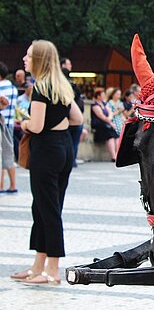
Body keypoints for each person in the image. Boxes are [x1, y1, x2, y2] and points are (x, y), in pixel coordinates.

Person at [10, 40, 83, 285]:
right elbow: (77, 118)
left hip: (46, 150)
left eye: (29, 56)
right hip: (62, 148)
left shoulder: (41, 88)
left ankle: (52, 270)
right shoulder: (62, 86)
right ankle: (38, 266)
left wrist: (25, 122)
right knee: (44, 207)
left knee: (47, 210)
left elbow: (37, 126)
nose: (24, 59)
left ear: (39, 60)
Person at [60, 57, 84, 167]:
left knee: (72, 140)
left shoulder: (67, 82)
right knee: (70, 141)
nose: (71, 66)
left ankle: (71, 160)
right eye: (69, 64)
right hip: (69, 116)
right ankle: (70, 160)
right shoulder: (62, 82)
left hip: (74, 116)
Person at [0, 61, 18, 194]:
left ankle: (1, 186)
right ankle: (13, 185)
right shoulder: (13, 88)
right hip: (10, 123)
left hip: (1, 124)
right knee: (8, 153)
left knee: (1, 155)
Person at [91, 87, 119, 161]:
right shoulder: (95, 105)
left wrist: (110, 118)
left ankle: (117, 154)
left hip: (107, 123)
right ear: (98, 96)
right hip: (99, 124)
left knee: (116, 135)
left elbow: (110, 112)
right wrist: (110, 121)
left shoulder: (104, 103)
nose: (104, 96)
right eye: (102, 94)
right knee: (110, 135)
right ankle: (113, 156)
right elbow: (101, 116)